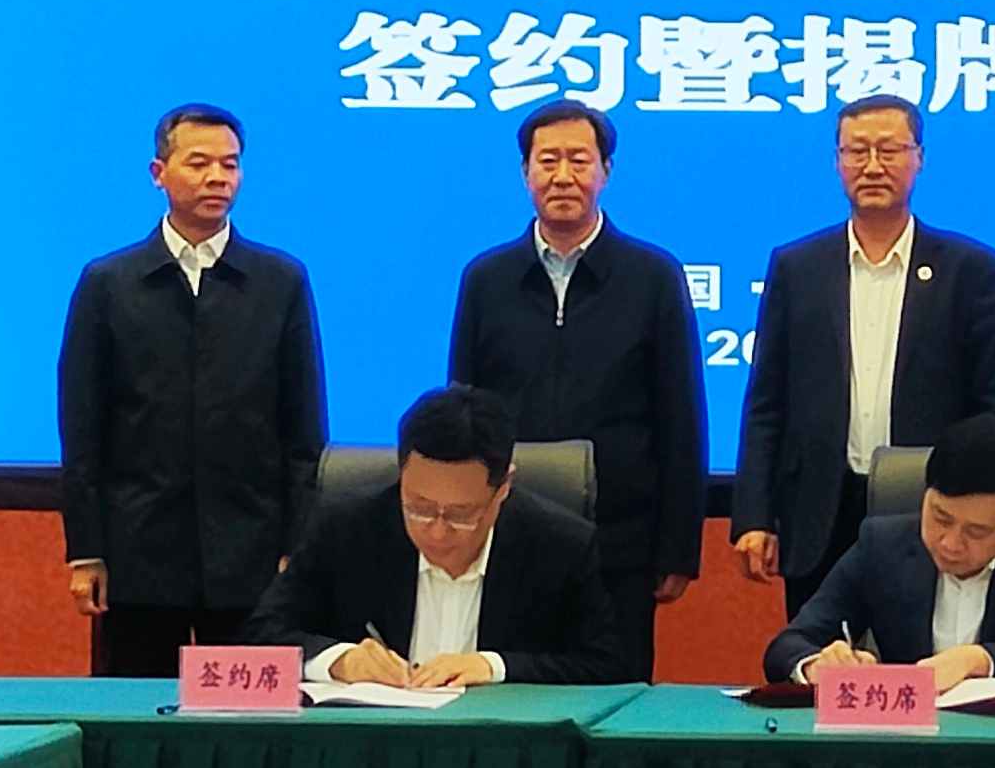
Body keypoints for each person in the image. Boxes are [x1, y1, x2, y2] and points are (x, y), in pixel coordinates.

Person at [58, 104, 326, 677]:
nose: (217, 178)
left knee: (254, 712)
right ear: (159, 173)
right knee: (136, 709)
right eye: (199, 163)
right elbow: (83, 430)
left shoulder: (279, 281)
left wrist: (298, 545)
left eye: (230, 165)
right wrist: (86, 549)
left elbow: (304, 431)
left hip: (251, 553)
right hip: (139, 551)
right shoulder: (110, 283)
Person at [732, 94, 995, 618]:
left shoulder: (970, 270)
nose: (873, 165)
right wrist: (754, 515)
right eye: (857, 151)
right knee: (820, 654)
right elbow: (767, 401)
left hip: (930, 508)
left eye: (889, 149)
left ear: (919, 158)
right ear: (838, 161)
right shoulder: (798, 267)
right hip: (819, 508)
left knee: (921, 655)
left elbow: (992, 407)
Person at [448, 103, 705, 679]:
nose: (563, 176)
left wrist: (677, 547)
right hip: (509, 535)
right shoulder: (487, 279)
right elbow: (463, 414)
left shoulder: (652, 276)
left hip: (620, 541)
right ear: (525, 172)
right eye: (548, 161)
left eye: (579, 160)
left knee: (616, 689)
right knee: (506, 684)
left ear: (605, 171)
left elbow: (680, 417)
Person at [244, 385, 629, 686]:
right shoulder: (346, 530)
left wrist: (494, 666)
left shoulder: (560, 546)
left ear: (503, 489)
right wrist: (338, 660)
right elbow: (262, 633)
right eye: (419, 507)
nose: (438, 531)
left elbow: (606, 666)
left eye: (462, 515)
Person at [762, 415, 995, 691]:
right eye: (940, 518)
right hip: (909, 742)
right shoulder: (881, 545)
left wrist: (978, 660)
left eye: (976, 531)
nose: (950, 542)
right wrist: (816, 665)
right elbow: (788, 644)